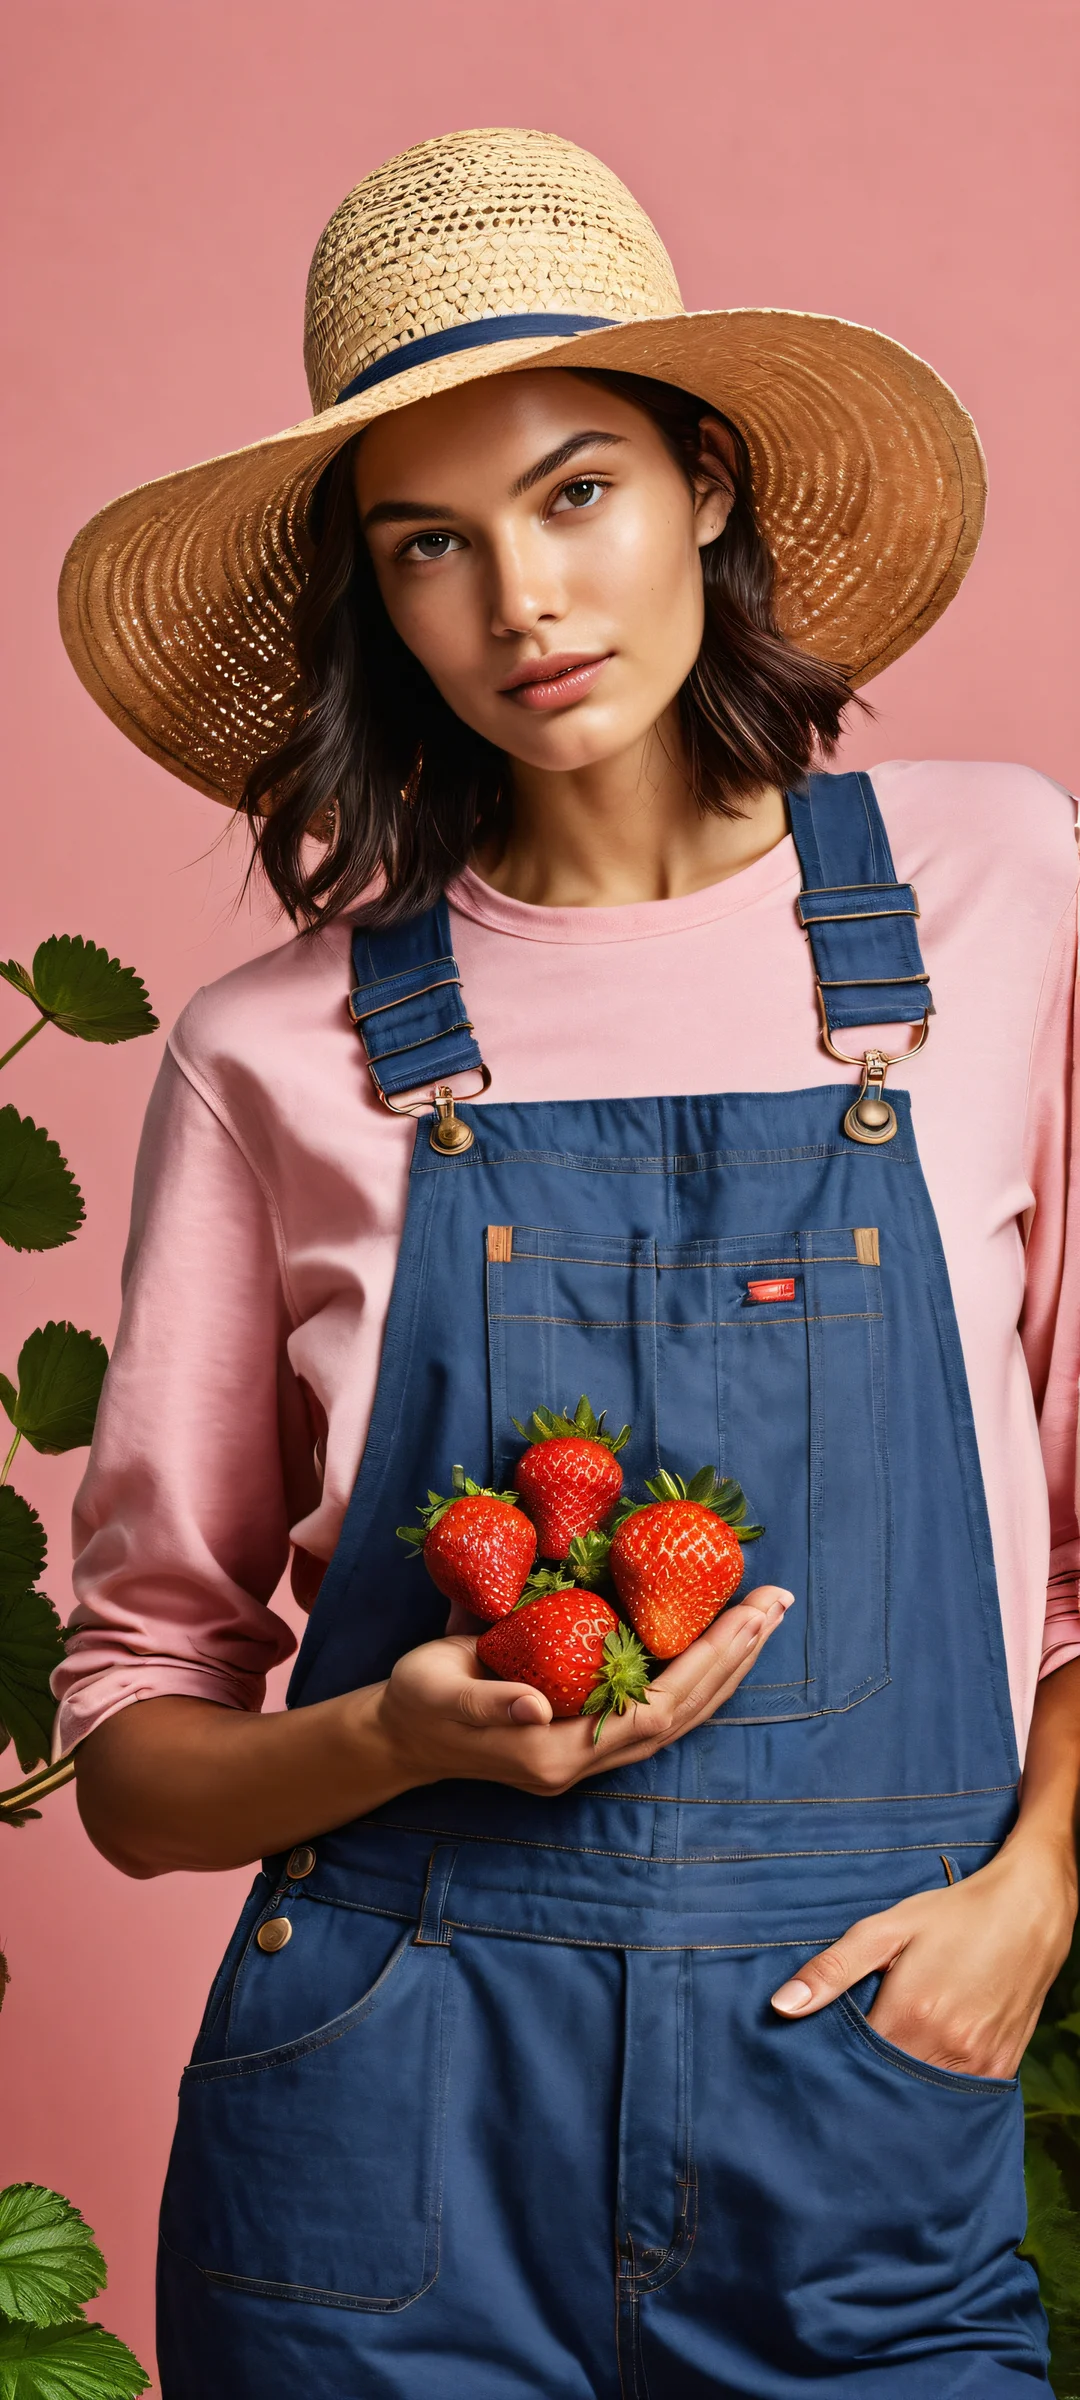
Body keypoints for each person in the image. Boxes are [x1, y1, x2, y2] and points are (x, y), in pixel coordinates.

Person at [55, 127, 1079, 2396]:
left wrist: (1039, 1898)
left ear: (706, 479)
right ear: (376, 601)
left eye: (576, 490)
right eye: (430, 542)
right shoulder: (269, 1052)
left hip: (864, 2117)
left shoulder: (1003, 894)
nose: (519, 598)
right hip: (385, 2133)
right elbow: (133, 1747)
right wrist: (389, 1734)